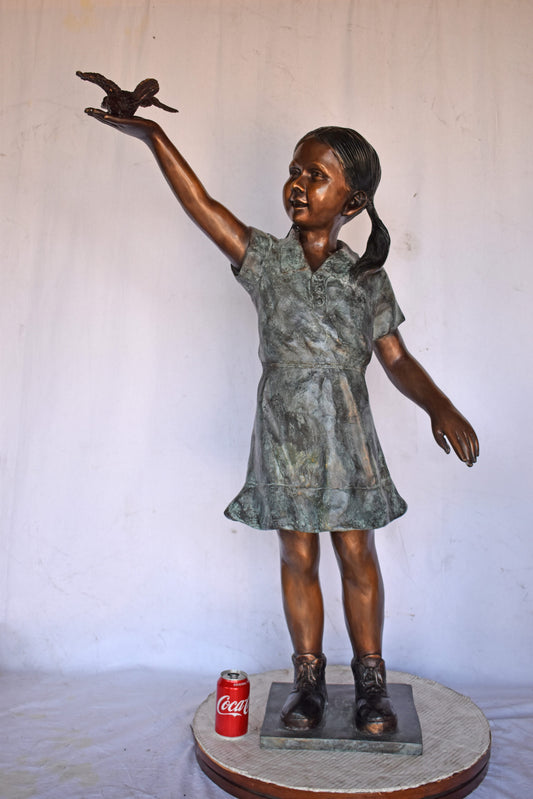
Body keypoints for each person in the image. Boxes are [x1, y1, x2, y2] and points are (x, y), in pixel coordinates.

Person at [85, 109, 479, 735]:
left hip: (348, 438)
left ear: (354, 200)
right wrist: (153, 136)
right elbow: (201, 205)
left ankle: (371, 683)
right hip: (284, 437)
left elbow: (396, 357)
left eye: (316, 176)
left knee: (356, 552)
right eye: (294, 171)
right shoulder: (266, 262)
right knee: (297, 553)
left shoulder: (366, 278)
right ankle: (308, 682)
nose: (298, 184)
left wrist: (440, 405)